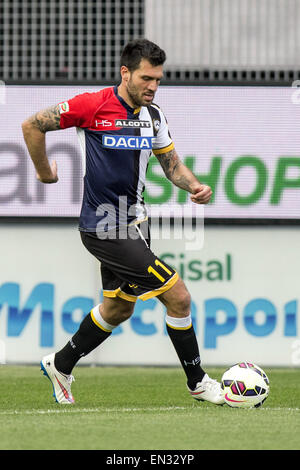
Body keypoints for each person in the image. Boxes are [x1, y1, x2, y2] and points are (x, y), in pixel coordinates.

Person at [22, 39, 224, 406]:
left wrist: (194, 185)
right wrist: (44, 173)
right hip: (104, 226)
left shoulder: (155, 116)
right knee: (178, 297)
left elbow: (171, 166)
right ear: (125, 72)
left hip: (135, 224)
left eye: (159, 80)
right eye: (147, 78)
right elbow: (32, 125)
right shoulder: (91, 105)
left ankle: (61, 363)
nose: (153, 86)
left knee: (119, 308)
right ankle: (198, 383)